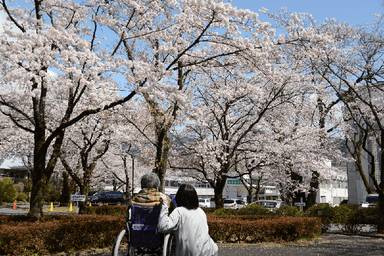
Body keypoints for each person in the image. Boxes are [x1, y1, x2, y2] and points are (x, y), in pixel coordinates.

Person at [158, 184, 218, 256]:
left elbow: (163, 226)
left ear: (179, 197)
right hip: (209, 251)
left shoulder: (179, 211)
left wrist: (164, 204)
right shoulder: (201, 212)